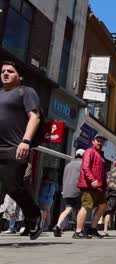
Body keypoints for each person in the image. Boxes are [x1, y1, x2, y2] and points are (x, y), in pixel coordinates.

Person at [0, 61, 44, 240]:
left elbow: (35, 116)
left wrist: (25, 141)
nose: (5, 73)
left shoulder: (25, 92)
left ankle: (33, 215)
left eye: (10, 71)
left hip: (15, 148)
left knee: (13, 186)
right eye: (2, 71)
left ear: (20, 76)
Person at [73, 134, 108, 239]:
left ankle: (92, 228)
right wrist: (92, 180)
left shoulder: (99, 154)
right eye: (98, 140)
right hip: (89, 185)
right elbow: (85, 167)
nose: (100, 143)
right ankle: (78, 231)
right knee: (86, 206)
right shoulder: (89, 152)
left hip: (99, 186)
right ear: (93, 141)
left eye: (102, 141)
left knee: (103, 205)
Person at [53, 149, 84, 237]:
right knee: (81, 210)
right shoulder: (82, 164)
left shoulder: (68, 165)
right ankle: (79, 229)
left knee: (67, 209)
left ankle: (58, 225)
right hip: (77, 190)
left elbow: (64, 177)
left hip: (67, 190)